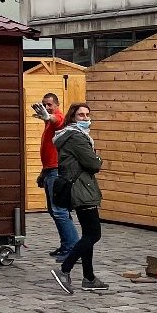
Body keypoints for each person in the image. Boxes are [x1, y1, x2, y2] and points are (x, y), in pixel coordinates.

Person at [51, 103, 107, 293]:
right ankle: (64, 270)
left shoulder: (70, 135)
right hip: (82, 189)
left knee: (87, 235)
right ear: (73, 118)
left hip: (79, 187)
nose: (85, 118)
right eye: (81, 115)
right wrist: (98, 159)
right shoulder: (76, 137)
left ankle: (89, 277)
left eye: (87, 115)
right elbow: (93, 163)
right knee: (94, 234)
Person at [33, 92, 79, 259]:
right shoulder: (48, 123)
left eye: (49, 105)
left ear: (57, 105)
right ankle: (67, 245)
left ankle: (73, 250)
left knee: (59, 211)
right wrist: (43, 172)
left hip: (56, 171)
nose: (46, 108)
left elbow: (58, 120)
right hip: (49, 170)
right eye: (44, 105)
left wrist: (49, 117)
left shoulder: (58, 119)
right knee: (55, 211)